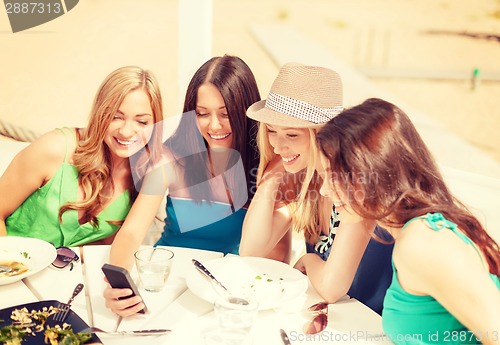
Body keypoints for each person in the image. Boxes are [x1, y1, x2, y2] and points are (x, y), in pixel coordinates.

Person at [316, 98, 500, 344]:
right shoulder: (410, 233)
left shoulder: (423, 243)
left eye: (333, 176)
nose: (323, 191)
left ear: (371, 173)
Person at [105, 55, 261, 316]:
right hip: (166, 281)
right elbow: (133, 231)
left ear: (245, 111)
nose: (213, 125)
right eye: (202, 114)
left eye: (225, 114)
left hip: (226, 289)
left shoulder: (263, 167)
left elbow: (274, 254)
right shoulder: (171, 158)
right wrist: (118, 283)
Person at [239, 63, 393, 314]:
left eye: (291, 135)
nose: (278, 146)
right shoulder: (304, 178)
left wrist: (309, 260)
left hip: (376, 323)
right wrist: (271, 177)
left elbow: (333, 288)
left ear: (322, 134)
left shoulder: (354, 184)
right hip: (331, 319)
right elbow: (251, 250)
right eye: (271, 131)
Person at [0, 66, 164, 247]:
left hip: (68, 274)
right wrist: (10, 267)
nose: (126, 131)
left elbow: (106, 249)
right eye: (115, 117)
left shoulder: (146, 176)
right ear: (100, 114)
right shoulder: (55, 148)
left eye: (142, 121)